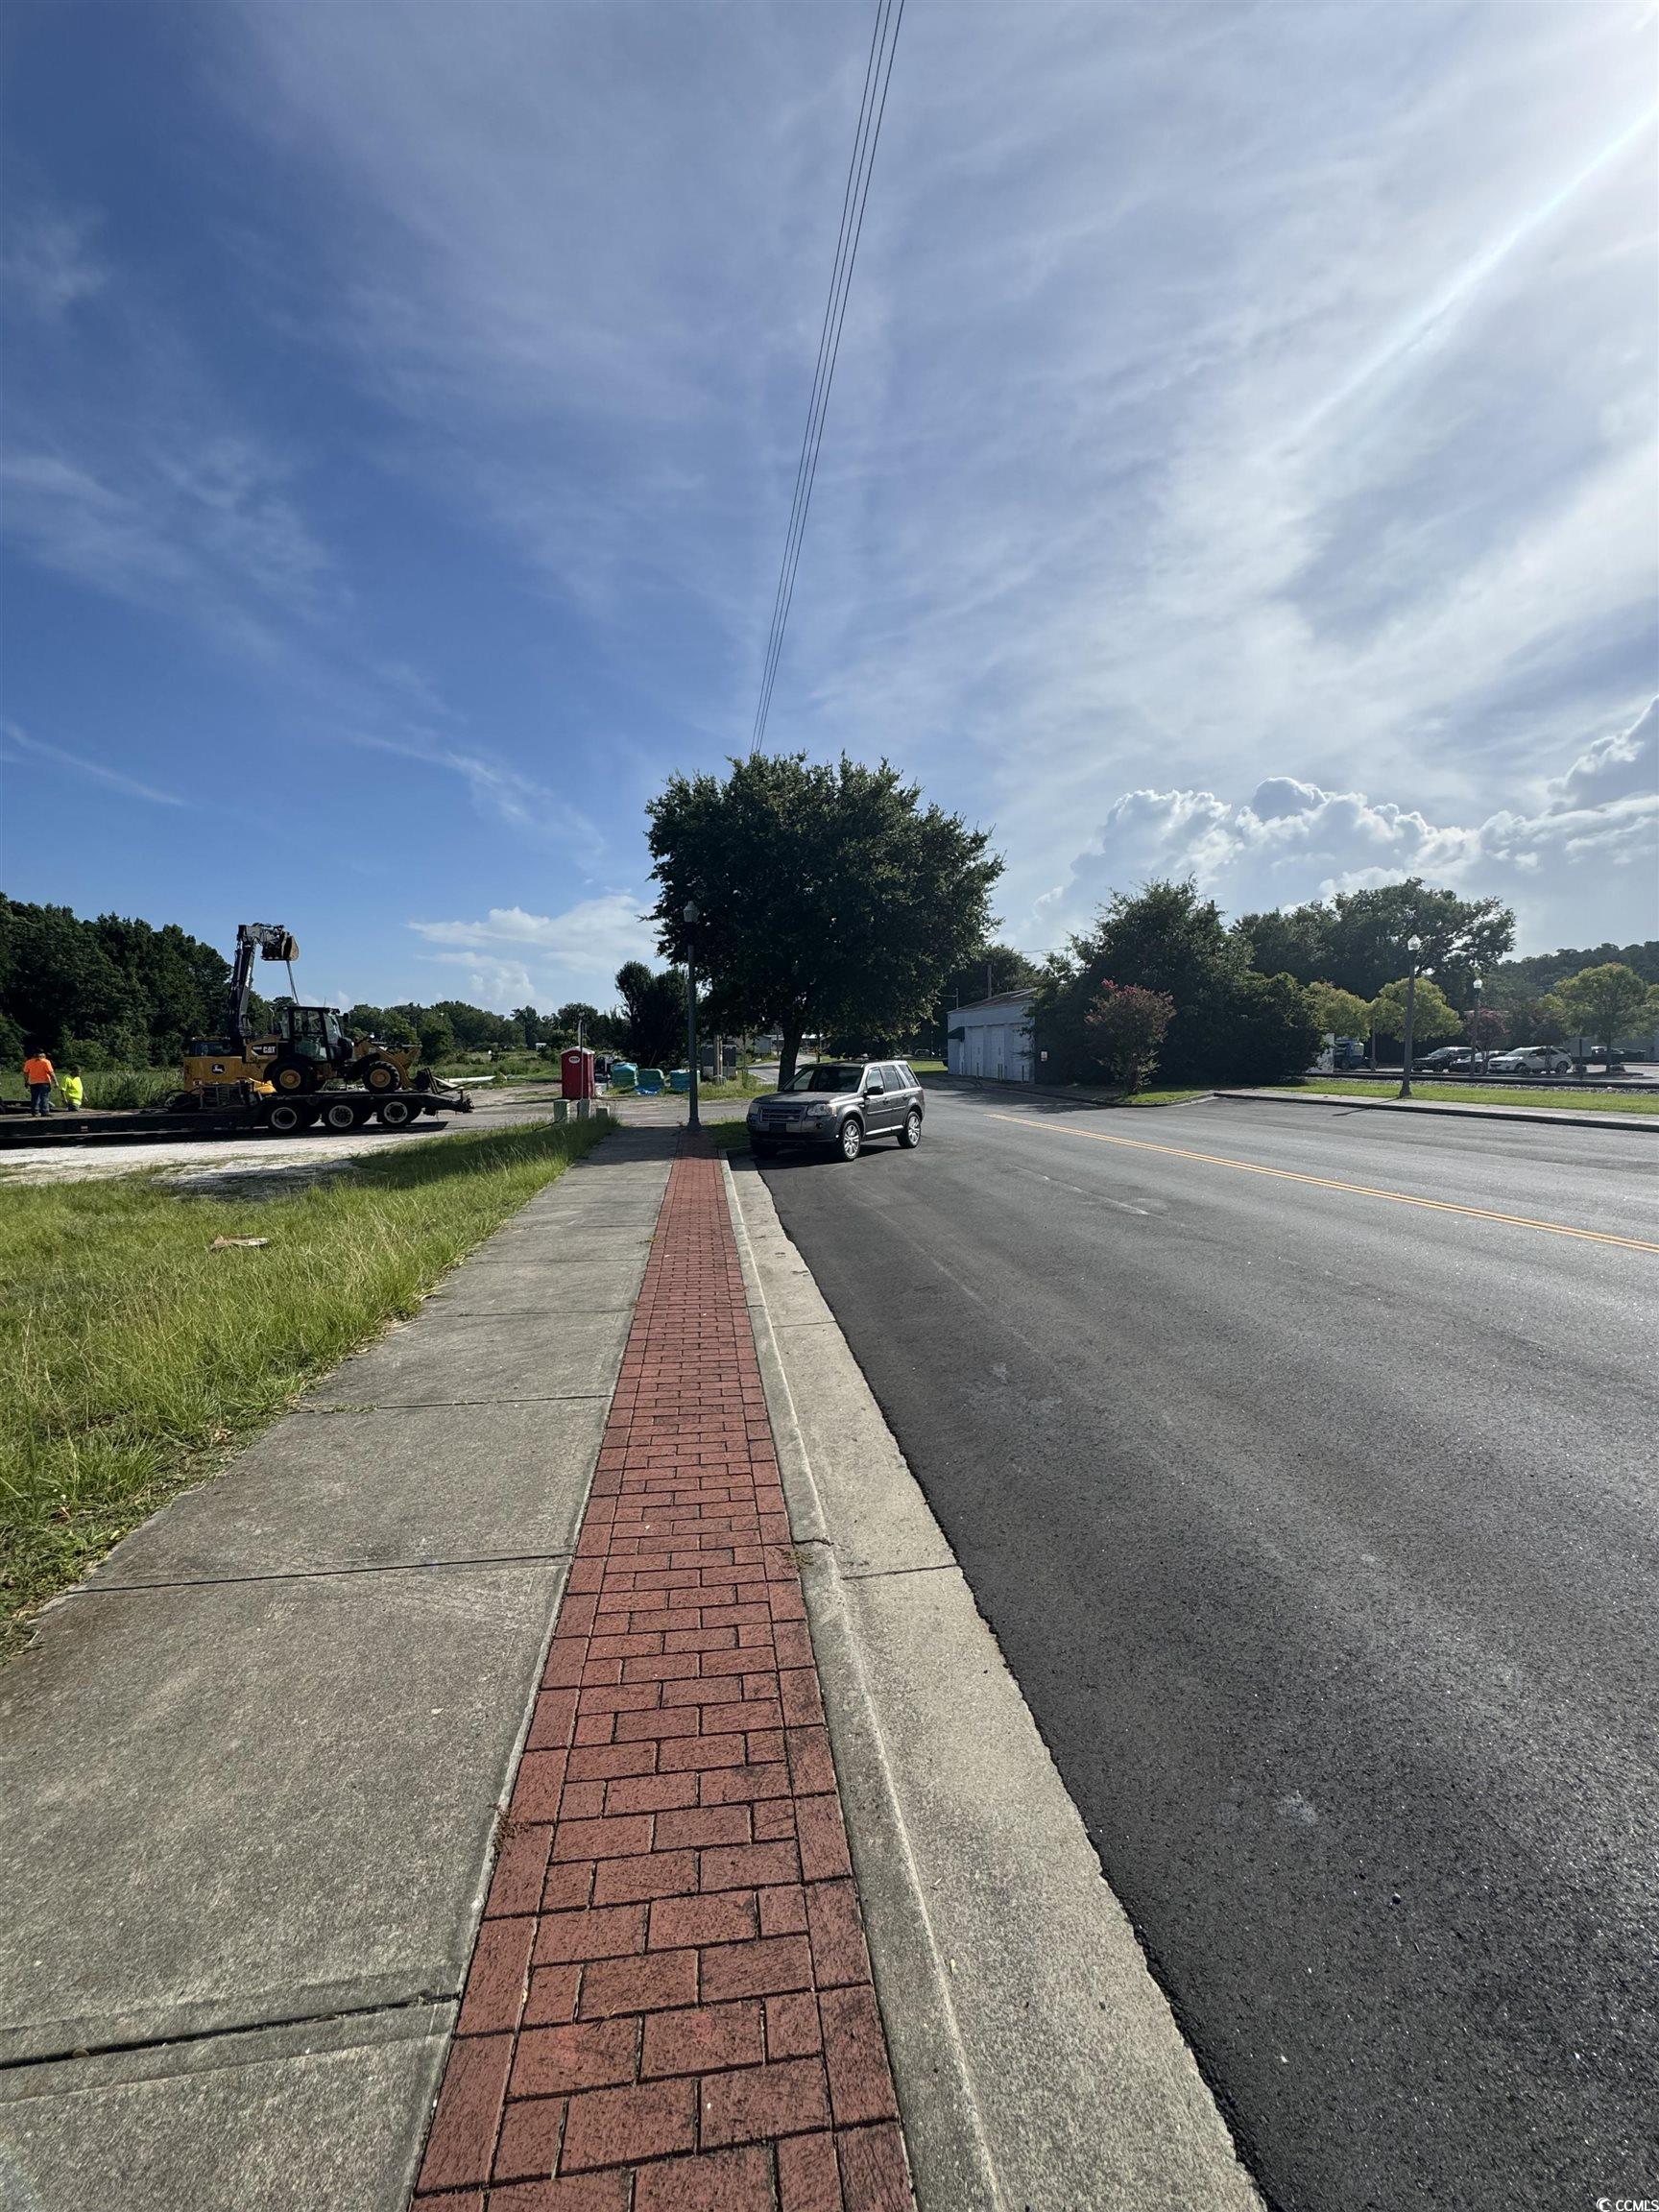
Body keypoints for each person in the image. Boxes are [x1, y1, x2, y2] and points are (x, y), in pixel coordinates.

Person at [23, 1048, 56, 1116]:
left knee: (34, 1097)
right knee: (44, 1097)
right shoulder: (46, 1062)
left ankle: (34, 1112)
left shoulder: (28, 1062)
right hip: (44, 1082)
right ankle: (45, 1111)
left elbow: (26, 1073)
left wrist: (26, 1082)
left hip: (33, 1082)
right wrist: (55, 1082)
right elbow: (51, 1072)